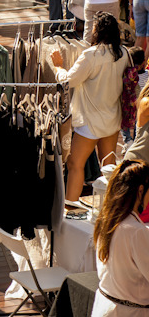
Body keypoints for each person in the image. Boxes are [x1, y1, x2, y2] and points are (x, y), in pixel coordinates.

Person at [52, 12, 129, 208]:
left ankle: (70, 207)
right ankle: (110, 209)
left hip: (89, 121)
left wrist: (58, 67)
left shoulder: (91, 55)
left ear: (98, 31)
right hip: (112, 119)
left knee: (75, 165)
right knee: (109, 168)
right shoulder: (123, 54)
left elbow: (68, 81)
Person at [90, 159, 149, 315]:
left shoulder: (106, 220)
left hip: (105, 307)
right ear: (141, 190)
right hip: (129, 311)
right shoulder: (136, 231)